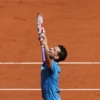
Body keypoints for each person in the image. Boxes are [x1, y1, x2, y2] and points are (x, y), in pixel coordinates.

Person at [37, 12, 68, 100]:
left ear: (57, 57)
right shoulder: (49, 58)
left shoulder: (53, 65)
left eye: (54, 50)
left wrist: (43, 46)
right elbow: (46, 42)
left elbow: (48, 60)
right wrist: (42, 31)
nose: (51, 49)